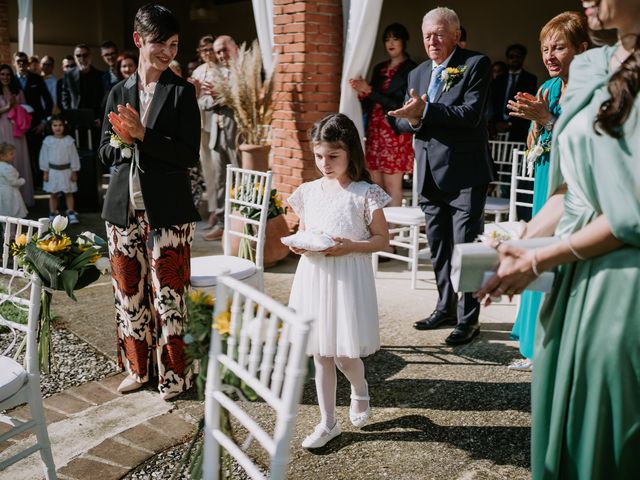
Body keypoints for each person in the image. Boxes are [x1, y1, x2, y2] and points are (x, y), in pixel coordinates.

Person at [475, 0, 640, 477]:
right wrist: (522, 238)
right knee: (558, 410)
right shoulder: (590, 67)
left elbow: (631, 210)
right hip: (569, 271)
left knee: (608, 428)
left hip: (620, 283)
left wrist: (543, 257)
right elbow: (571, 186)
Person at [98, 4, 200, 400]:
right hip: (122, 211)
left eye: (174, 45)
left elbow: (188, 154)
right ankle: (138, 371)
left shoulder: (181, 92)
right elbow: (105, 155)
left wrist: (143, 135)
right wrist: (122, 141)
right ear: (139, 40)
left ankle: (176, 377)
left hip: (169, 214)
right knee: (130, 294)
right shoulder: (117, 92)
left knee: (169, 299)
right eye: (160, 43)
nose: (167, 52)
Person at [388, 7, 493, 345]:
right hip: (429, 174)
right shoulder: (418, 73)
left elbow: (470, 115)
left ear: (455, 35)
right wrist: (414, 119)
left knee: (465, 250)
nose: (432, 41)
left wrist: (426, 112)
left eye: (439, 34)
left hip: (464, 174)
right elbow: (404, 121)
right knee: (438, 248)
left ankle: (468, 319)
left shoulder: (475, 64)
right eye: (427, 36)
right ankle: (444, 307)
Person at [287, 113, 390, 449]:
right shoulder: (308, 192)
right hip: (315, 276)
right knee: (320, 353)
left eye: (333, 156)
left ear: (350, 154)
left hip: (347, 278)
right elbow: (304, 231)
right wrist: (300, 243)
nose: (325, 164)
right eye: (319, 156)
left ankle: (359, 389)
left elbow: (381, 241)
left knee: (345, 355)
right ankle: (327, 422)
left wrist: (349, 246)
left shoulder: (365, 193)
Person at [505, 12, 590, 371]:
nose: (550, 55)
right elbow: (536, 142)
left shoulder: (591, 91)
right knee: (536, 248)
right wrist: (539, 124)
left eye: (559, 47)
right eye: (545, 48)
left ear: (582, 49)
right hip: (546, 179)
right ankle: (532, 344)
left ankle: (555, 343)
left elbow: (586, 145)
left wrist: (547, 120)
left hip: (575, 185)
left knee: (561, 254)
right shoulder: (547, 89)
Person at [349, 23, 417, 207]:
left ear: (404, 41)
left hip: (395, 133)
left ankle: (391, 230)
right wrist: (361, 94)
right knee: (375, 184)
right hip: (374, 132)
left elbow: (402, 106)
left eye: (395, 38)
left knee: (392, 185)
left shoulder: (412, 69)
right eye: (387, 39)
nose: (390, 43)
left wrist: (369, 91)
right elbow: (371, 101)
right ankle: (379, 227)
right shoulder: (379, 69)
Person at [202, 34, 240, 241]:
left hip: (236, 135)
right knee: (220, 181)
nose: (222, 55)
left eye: (225, 50)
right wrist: (215, 99)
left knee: (240, 179)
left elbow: (245, 99)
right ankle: (221, 223)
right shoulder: (215, 73)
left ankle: (241, 223)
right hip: (217, 134)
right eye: (218, 52)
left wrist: (222, 97)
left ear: (234, 48)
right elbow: (204, 102)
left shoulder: (242, 71)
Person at [190, 34, 220, 229]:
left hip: (216, 123)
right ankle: (212, 210)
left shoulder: (222, 70)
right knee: (207, 168)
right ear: (200, 53)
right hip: (200, 124)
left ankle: (219, 212)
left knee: (218, 169)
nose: (208, 53)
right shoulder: (199, 71)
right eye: (205, 50)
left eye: (211, 49)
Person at [14, 51, 53, 189]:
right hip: (16, 125)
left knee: (38, 155)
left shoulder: (37, 79)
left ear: (28, 63)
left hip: (36, 124)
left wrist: (44, 121)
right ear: (14, 62)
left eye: (24, 61)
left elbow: (48, 102)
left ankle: (40, 184)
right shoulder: (11, 80)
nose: (21, 64)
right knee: (21, 156)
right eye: (18, 61)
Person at [0, 63, 34, 207]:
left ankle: (23, 199)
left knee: (19, 160)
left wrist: (18, 108)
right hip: (1, 130)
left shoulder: (18, 91)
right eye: (2, 74)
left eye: (8, 74)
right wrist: (7, 107)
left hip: (17, 132)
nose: (5, 77)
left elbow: (26, 110)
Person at [488, 44, 538, 141]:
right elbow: (493, 102)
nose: (514, 59)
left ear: (523, 58)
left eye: (518, 56)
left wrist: (510, 123)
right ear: (507, 58)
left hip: (519, 128)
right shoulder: (499, 79)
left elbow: (528, 103)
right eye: (511, 56)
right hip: (496, 128)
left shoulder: (530, 79)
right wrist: (496, 122)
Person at [39, 115, 81, 223]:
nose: (58, 128)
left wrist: (74, 171)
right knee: (53, 193)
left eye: (60, 125)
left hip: (66, 171)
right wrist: (45, 172)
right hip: (53, 171)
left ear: (64, 126)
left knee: (69, 192)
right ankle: (53, 212)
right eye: (55, 125)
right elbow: (44, 157)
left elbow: (74, 156)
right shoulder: (48, 141)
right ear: (51, 127)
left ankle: (71, 212)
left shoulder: (69, 140)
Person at [60, 43, 105, 124]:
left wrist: (99, 116)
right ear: (75, 58)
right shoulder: (68, 74)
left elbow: (103, 98)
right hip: (74, 117)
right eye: (78, 56)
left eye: (85, 55)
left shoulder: (100, 76)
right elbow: (65, 96)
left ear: (90, 56)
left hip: (94, 119)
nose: (82, 59)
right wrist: (68, 113)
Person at [0, 142, 28, 219]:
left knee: (4, 215)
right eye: (11, 154)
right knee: (12, 214)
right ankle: (12, 231)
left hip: (2, 193)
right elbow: (13, 182)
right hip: (9, 194)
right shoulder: (7, 168)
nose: (13, 156)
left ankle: (5, 231)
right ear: (2, 156)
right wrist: (22, 180)